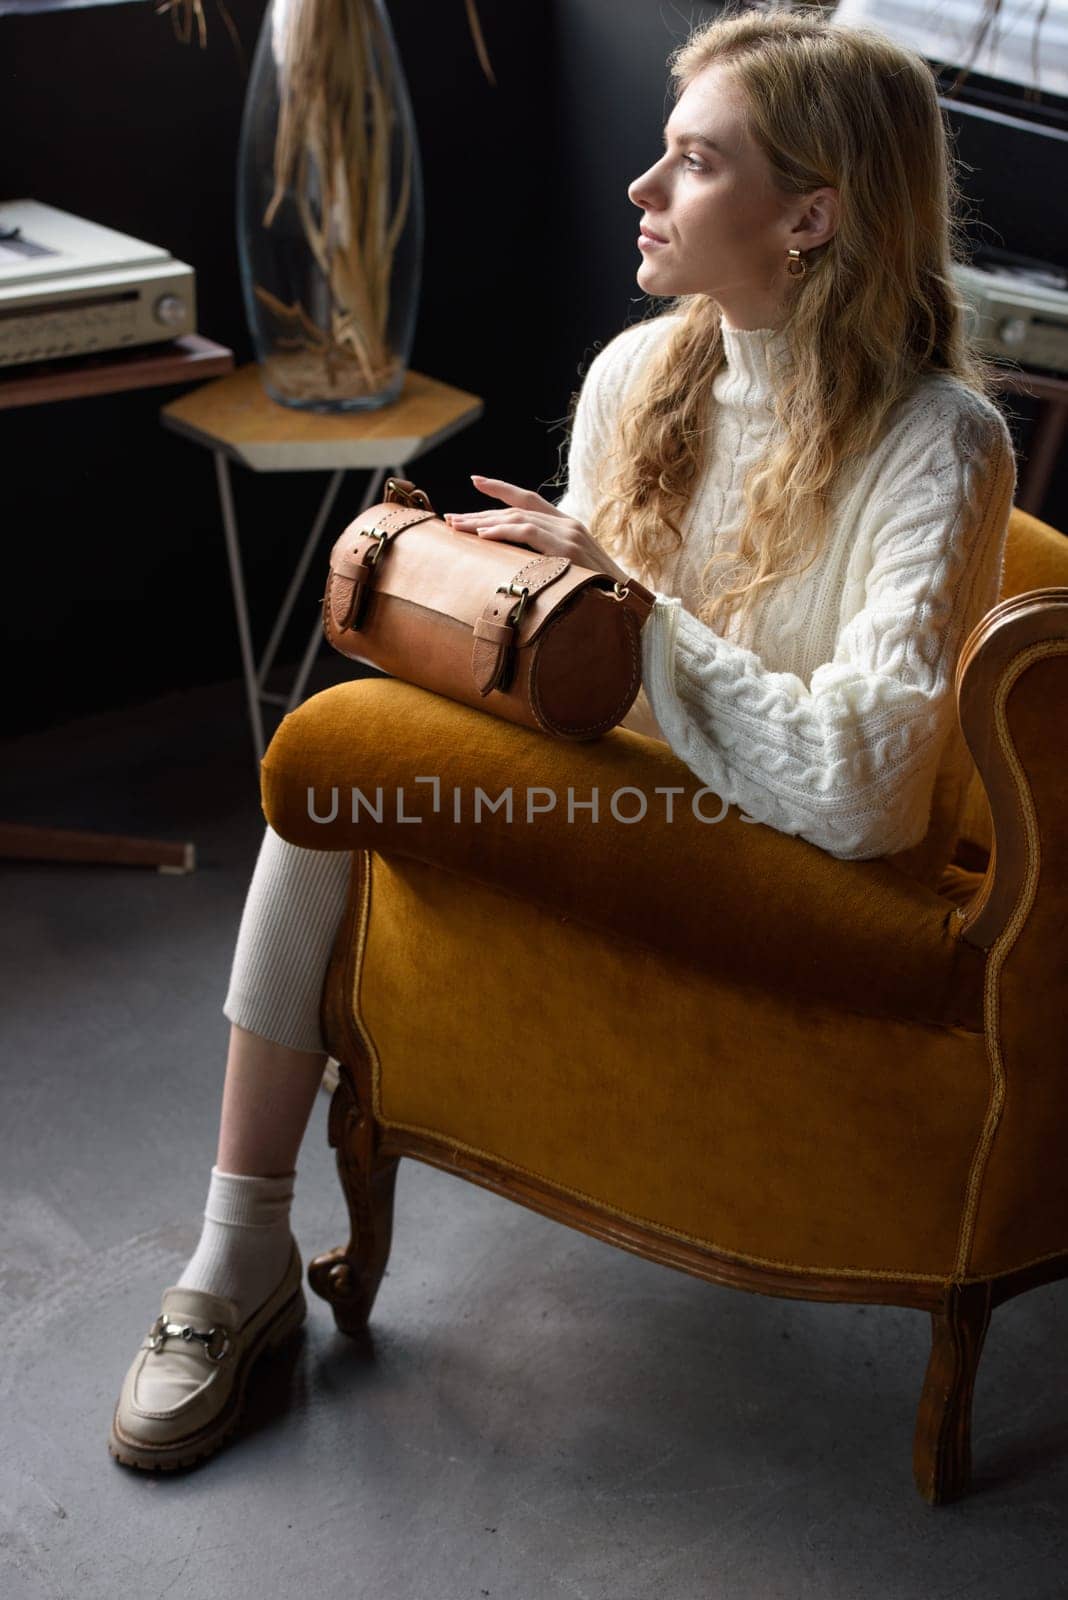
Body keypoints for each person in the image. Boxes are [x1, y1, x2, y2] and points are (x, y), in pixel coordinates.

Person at [108, 2, 1017, 1470]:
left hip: (801, 858)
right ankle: (241, 1253)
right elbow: (591, 695)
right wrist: (516, 605)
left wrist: (631, 616)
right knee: (352, 757)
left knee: (344, 751)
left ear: (810, 216)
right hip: (621, 797)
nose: (643, 192)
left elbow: (864, 791)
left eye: (694, 164)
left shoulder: (940, 443)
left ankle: (241, 1255)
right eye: (660, 155)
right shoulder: (635, 379)